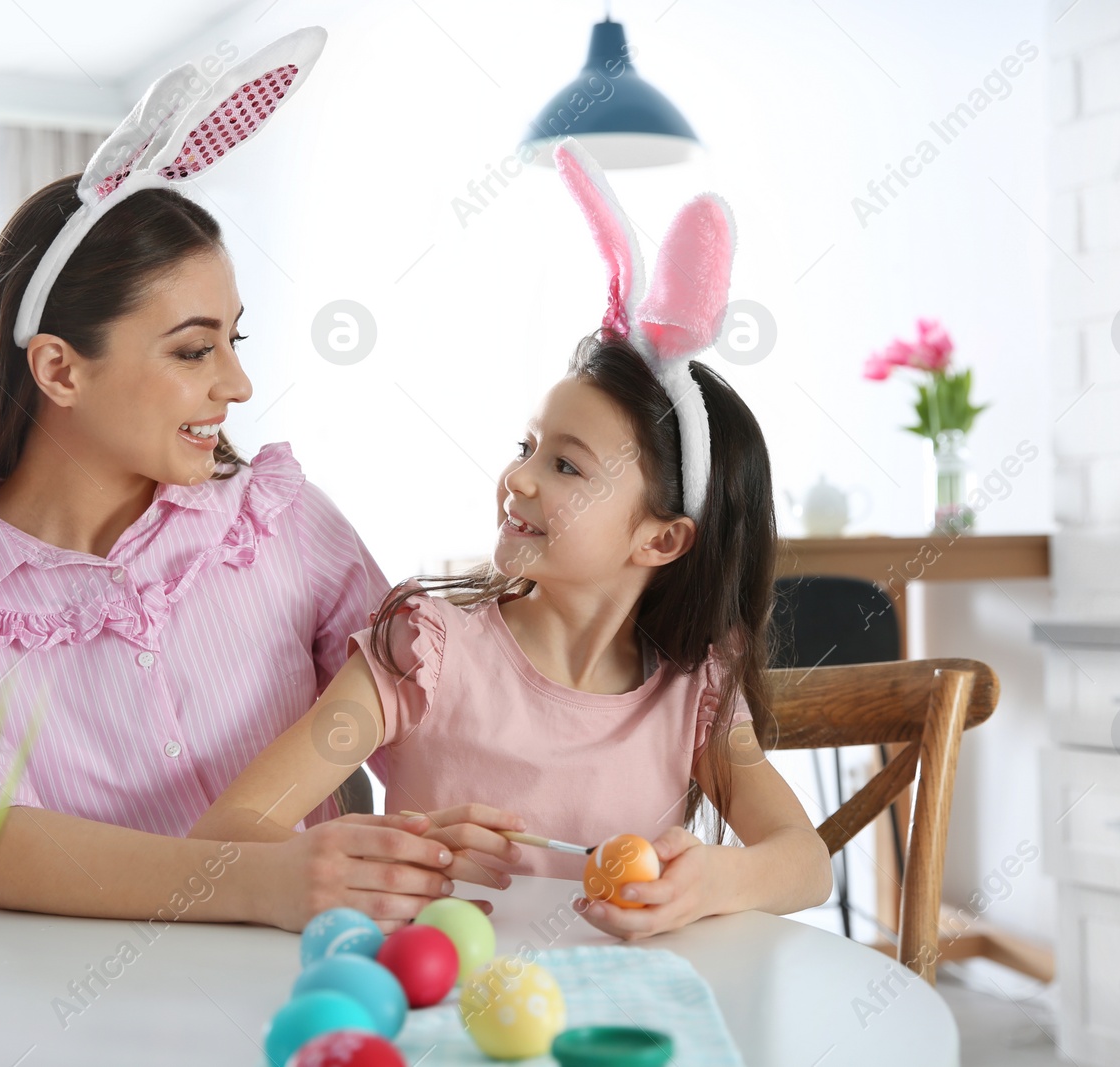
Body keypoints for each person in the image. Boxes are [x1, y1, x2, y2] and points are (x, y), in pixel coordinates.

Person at [0, 28, 513, 935]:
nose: (236, 385)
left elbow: (428, 718)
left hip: (320, 989)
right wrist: (261, 882)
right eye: (194, 350)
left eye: (236, 340)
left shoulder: (283, 523)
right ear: (60, 371)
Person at [190, 140, 833, 940]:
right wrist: (390, 855)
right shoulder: (424, 650)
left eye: (566, 465)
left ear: (662, 540)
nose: (519, 479)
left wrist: (715, 877)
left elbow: (807, 863)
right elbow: (227, 831)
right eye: (527, 446)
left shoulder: (692, 694)